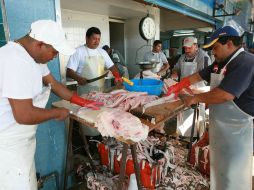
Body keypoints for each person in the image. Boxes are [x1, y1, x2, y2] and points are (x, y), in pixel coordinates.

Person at [0, 20, 104, 190]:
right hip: (7, 147)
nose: (55, 56)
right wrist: (57, 113)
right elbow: (23, 114)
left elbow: (55, 85)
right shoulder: (15, 60)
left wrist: (83, 101)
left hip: (20, 142)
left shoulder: (33, 58)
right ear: (40, 44)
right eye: (55, 52)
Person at [167, 26, 253, 190]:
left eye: (215, 47)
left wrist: (195, 98)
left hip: (238, 130)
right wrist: (178, 86)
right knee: (219, 169)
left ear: (228, 43)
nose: (213, 52)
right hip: (220, 125)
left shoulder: (245, 62)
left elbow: (225, 95)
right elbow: (198, 76)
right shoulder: (220, 62)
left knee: (234, 174)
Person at [172, 37, 211, 137]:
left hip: (197, 90)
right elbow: (176, 68)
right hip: (183, 91)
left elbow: (204, 77)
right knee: (183, 115)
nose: (187, 50)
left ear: (196, 46)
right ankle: (182, 136)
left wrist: (192, 88)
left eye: (189, 48)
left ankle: (196, 139)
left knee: (196, 118)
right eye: (185, 48)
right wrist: (175, 74)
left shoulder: (203, 57)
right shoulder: (182, 57)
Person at [66, 27, 122, 95]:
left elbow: (112, 67)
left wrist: (117, 77)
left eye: (98, 39)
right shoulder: (78, 51)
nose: (97, 41)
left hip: (101, 91)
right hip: (85, 91)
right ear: (87, 38)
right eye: (94, 39)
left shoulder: (102, 52)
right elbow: (69, 71)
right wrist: (78, 78)